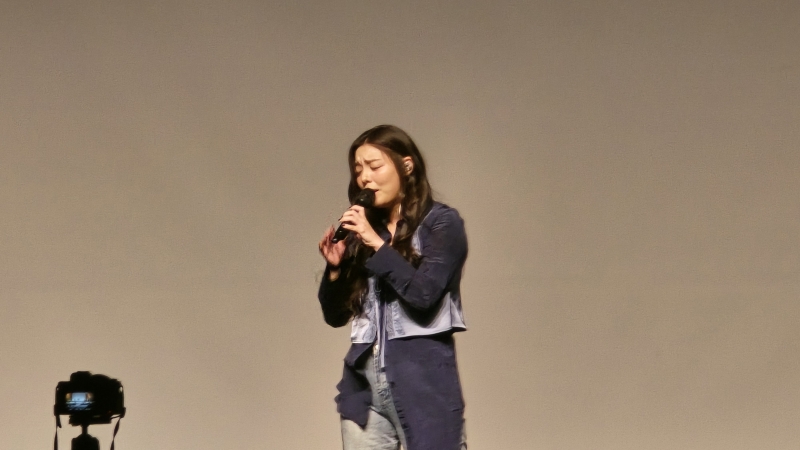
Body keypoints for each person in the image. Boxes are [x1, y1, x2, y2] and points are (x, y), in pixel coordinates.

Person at [317, 125, 468, 450]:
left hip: (424, 386)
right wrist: (335, 269)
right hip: (363, 390)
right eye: (358, 169)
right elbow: (334, 316)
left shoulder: (441, 224)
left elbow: (424, 295)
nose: (364, 178)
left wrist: (374, 242)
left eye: (374, 166)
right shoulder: (363, 234)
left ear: (407, 165)